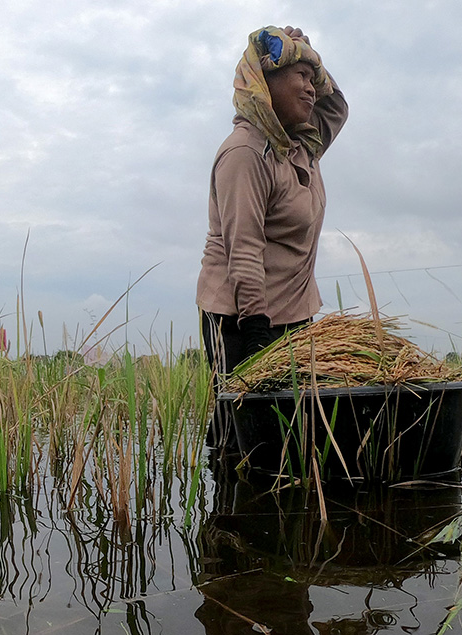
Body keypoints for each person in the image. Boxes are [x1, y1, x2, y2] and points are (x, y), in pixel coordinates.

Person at [196, 26, 348, 450]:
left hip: (291, 314)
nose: (310, 87)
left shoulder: (302, 145)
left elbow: (337, 106)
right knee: (246, 438)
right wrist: (257, 337)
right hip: (242, 319)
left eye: (312, 77)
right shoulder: (246, 152)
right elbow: (242, 250)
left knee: (290, 437)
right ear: (265, 85)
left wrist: (311, 54)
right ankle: (226, 506)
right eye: (298, 75)